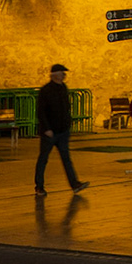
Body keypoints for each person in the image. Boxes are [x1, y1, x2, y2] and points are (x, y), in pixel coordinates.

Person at [34, 63, 87, 196]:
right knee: (43, 159)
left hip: (63, 131)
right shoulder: (46, 90)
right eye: (61, 73)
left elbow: (66, 107)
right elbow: (41, 111)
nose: (64, 75)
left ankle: (74, 184)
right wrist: (46, 128)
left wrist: (67, 124)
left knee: (66, 158)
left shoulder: (63, 88)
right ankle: (39, 186)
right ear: (54, 75)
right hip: (49, 132)